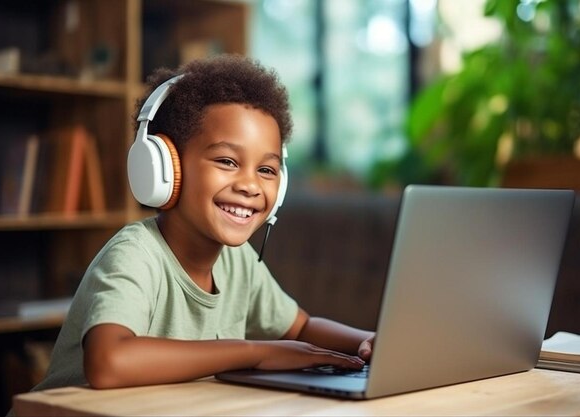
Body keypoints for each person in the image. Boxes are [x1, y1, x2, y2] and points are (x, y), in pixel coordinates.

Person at [32, 54, 374, 391]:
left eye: (266, 170)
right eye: (227, 161)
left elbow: (300, 328)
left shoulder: (238, 262)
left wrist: (372, 342)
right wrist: (254, 352)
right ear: (165, 169)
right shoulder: (136, 254)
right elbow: (108, 363)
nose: (251, 186)